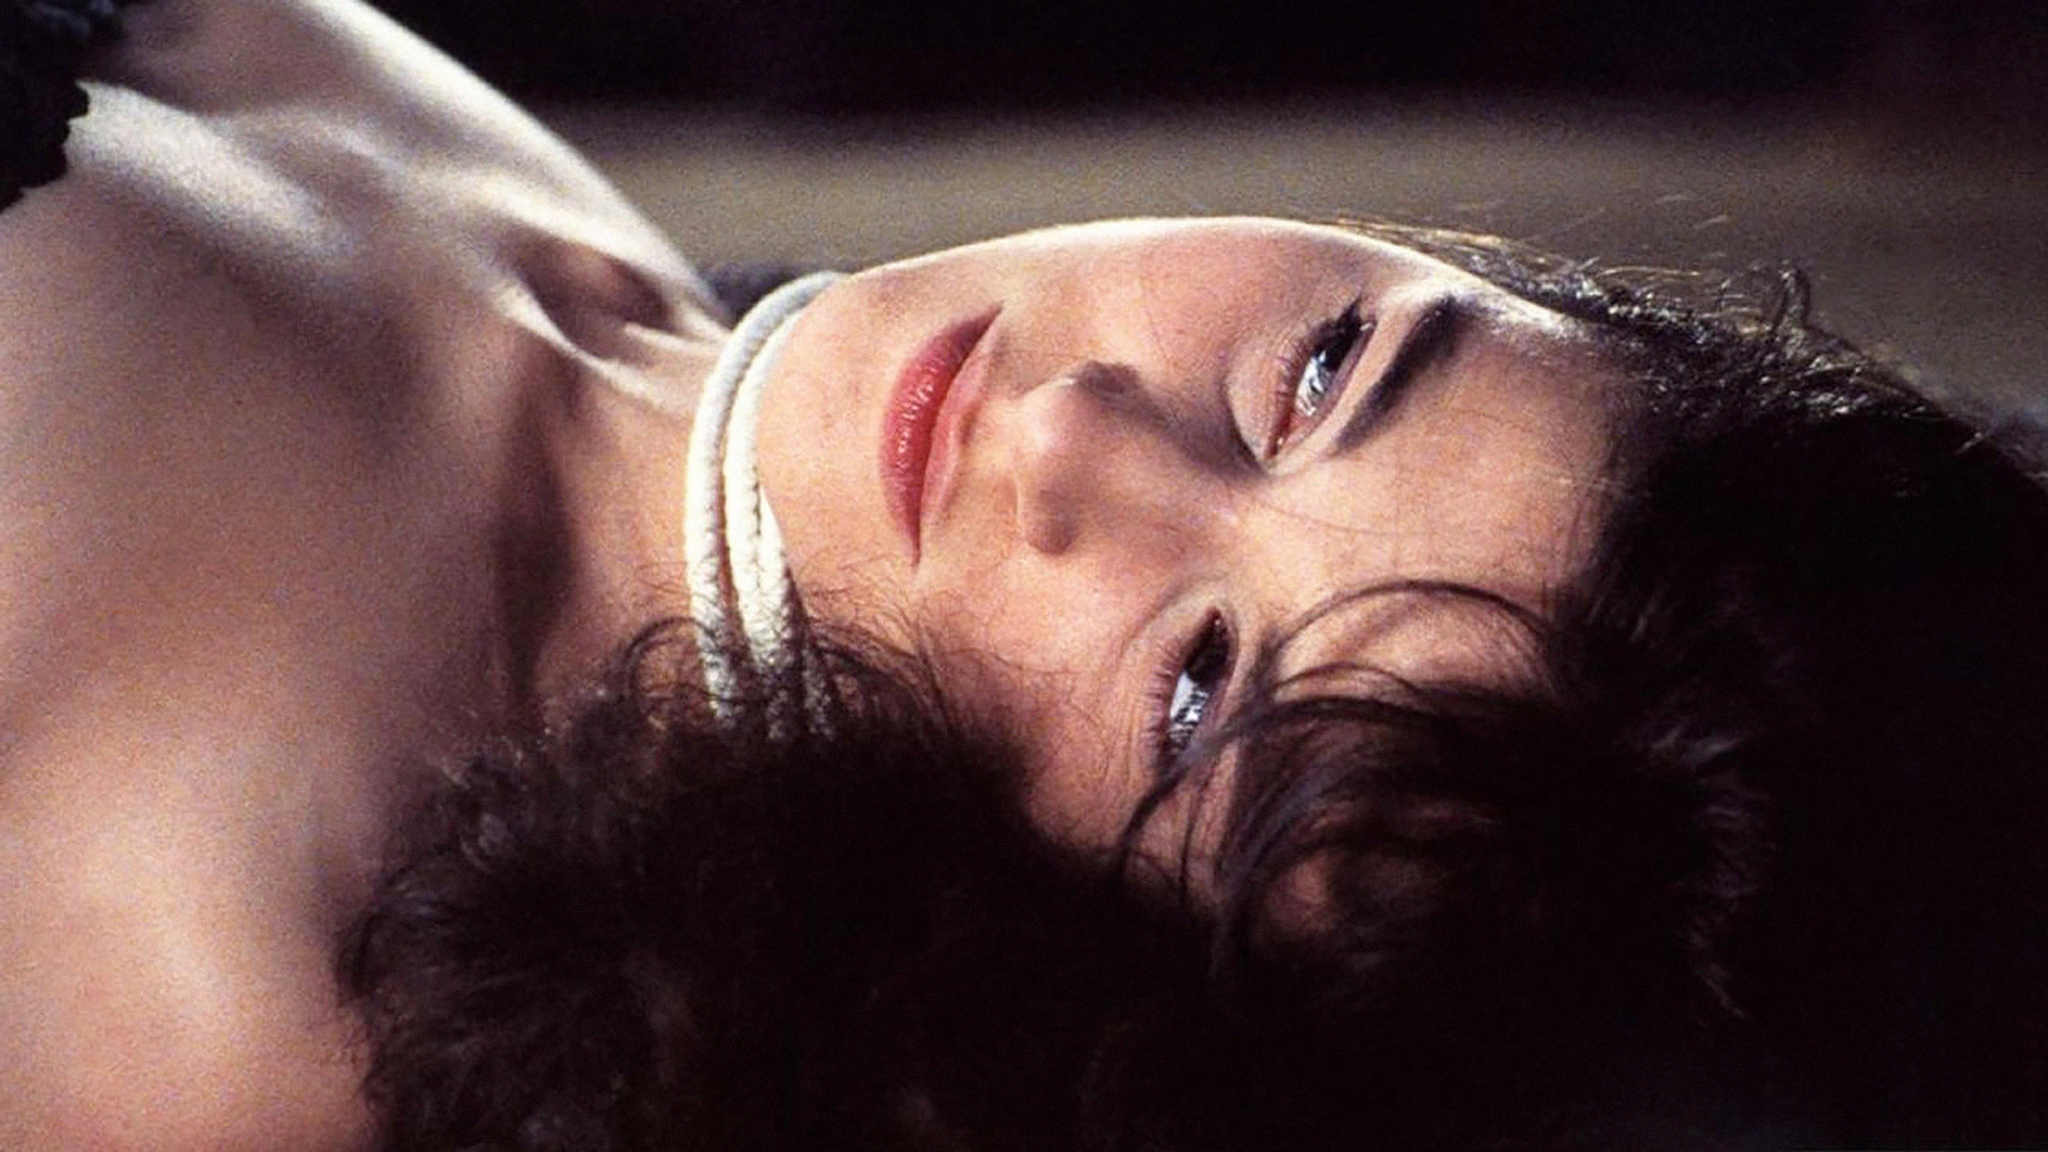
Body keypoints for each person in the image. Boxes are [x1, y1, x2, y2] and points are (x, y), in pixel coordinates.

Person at [3, 1, 2045, 1150]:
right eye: (1326, 371)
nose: (1075, 439)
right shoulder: (654, 352)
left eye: (1199, 691)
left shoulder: (244, 985)